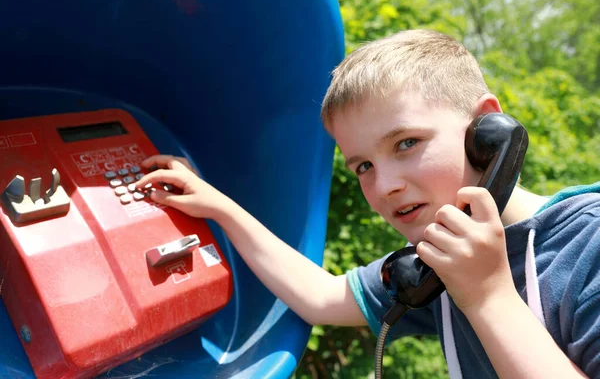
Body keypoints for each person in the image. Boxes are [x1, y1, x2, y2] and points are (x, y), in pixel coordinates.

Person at [134, 29, 599, 378]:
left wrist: (487, 295)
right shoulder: (435, 265)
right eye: (363, 167)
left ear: (486, 129)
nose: (385, 186)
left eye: (406, 143)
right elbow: (321, 297)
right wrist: (218, 207)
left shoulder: (587, 246)